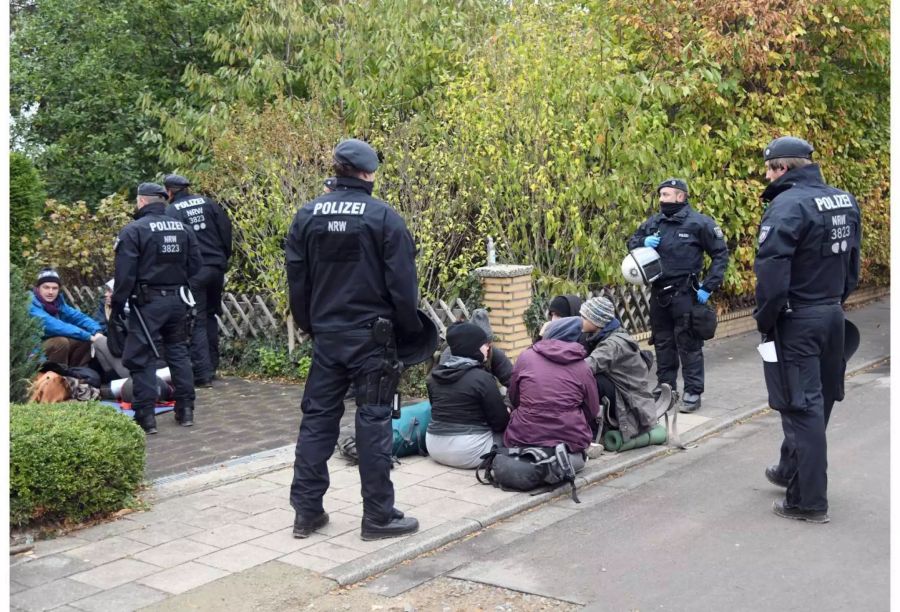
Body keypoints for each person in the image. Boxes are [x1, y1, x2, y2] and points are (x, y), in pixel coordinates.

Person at [284, 138, 421, 541]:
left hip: (328, 337)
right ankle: (378, 516)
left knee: (316, 422)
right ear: (367, 173)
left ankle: (306, 513)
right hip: (372, 338)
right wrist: (408, 331)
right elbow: (402, 287)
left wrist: (313, 324)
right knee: (374, 421)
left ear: (338, 169)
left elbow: (297, 281)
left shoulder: (307, 215)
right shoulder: (383, 217)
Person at [754, 136, 860, 523]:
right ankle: (789, 470)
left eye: (769, 169)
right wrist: (834, 301)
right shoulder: (843, 200)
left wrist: (766, 320)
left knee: (801, 408)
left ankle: (808, 502)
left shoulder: (787, 206)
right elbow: (853, 264)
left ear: (783, 168)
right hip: (832, 314)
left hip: (797, 319)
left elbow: (771, 272)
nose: (766, 176)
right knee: (818, 402)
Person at [626, 178, 729, 412]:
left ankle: (692, 392)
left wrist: (708, 287)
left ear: (680, 197)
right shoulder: (655, 223)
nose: (662, 200)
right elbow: (631, 243)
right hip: (659, 293)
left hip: (686, 292)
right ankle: (666, 389)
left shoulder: (699, 223)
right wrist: (643, 241)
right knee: (663, 343)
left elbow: (720, 255)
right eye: (660, 195)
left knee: (689, 344)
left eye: (666, 195)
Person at [112, 182, 203, 433]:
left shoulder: (133, 231)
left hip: (147, 303)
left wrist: (118, 305)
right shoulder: (184, 229)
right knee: (179, 353)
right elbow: (196, 266)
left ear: (141, 201)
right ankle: (185, 410)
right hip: (178, 301)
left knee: (142, 358)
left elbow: (125, 275)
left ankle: (145, 417)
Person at [164, 174, 233, 386]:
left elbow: (176, 242)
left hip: (194, 273)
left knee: (197, 321)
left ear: (169, 192)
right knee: (211, 316)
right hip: (216, 268)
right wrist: (223, 257)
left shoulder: (172, 211)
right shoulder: (208, 203)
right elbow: (226, 230)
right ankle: (212, 367)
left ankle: (203, 375)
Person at [504, 317, 599, 460]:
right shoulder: (582, 367)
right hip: (569, 437)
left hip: (524, 435)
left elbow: (514, 397)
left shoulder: (525, 357)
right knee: (575, 459)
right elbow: (592, 409)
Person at [426, 322, 509, 469]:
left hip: (434, 448)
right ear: (473, 348)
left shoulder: (433, 377)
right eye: (484, 344)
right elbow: (500, 422)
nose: (488, 348)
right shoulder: (481, 378)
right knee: (513, 434)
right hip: (469, 453)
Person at [580, 296, 657, 442]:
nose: (580, 320)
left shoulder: (613, 345)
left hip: (632, 405)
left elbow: (586, 367)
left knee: (590, 381)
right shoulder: (602, 334)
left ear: (597, 321)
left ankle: (591, 432)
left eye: (584, 317)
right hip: (623, 392)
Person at [29, 268, 104, 368]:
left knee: (83, 341)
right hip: (32, 350)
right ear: (38, 288)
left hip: (48, 343)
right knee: (60, 342)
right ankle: (57, 377)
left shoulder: (58, 304)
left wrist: (97, 331)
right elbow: (54, 325)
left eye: (54, 288)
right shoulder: (30, 304)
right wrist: (88, 335)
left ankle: (77, 374)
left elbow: (79, 317)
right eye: (46, 287)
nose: (50, 292)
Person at [438, 308, 513, 388]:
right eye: (483, 344)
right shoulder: (450, 354)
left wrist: (506, 400)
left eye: (488, 344)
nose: (486, 347)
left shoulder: (493, 353)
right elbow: (442, 386)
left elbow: (513, 382)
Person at [92, 279, 130, 380]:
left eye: (110, 291)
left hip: (130, 370)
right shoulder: (105, 306)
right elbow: (98, 323)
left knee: (98, 341)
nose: (105, 294)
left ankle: (114, 380)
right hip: (149, 367)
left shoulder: (126, 313)